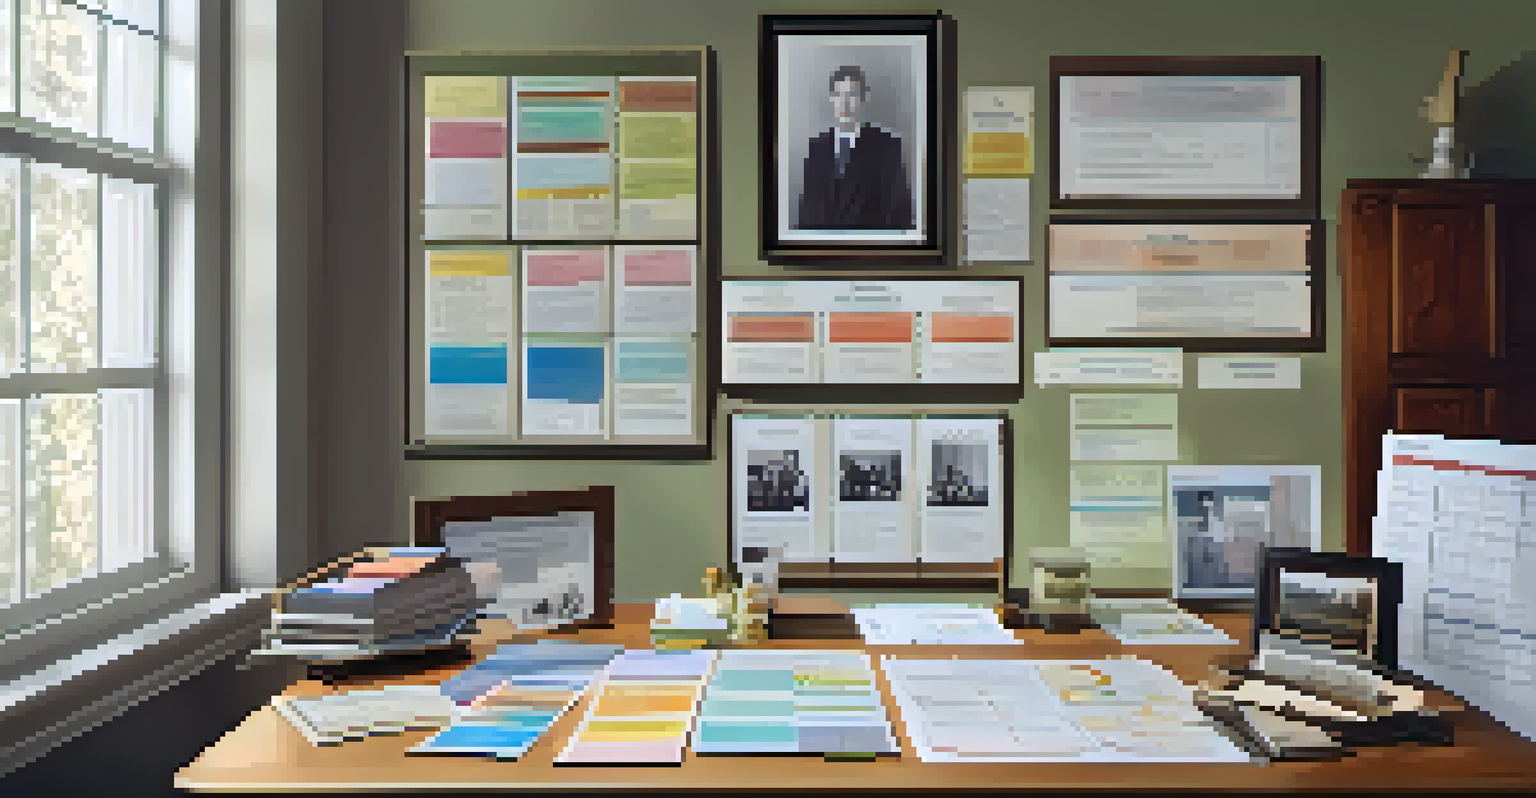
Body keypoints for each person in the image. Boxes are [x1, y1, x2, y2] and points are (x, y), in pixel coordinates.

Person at [796, 65, 915, 231]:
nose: (844, 103)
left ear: (865, 98)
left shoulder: (887, 146)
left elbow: (899, 214)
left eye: (852, 95)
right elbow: (806, 214)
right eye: (839, 95)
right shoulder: (816, 148)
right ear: (832, 98)